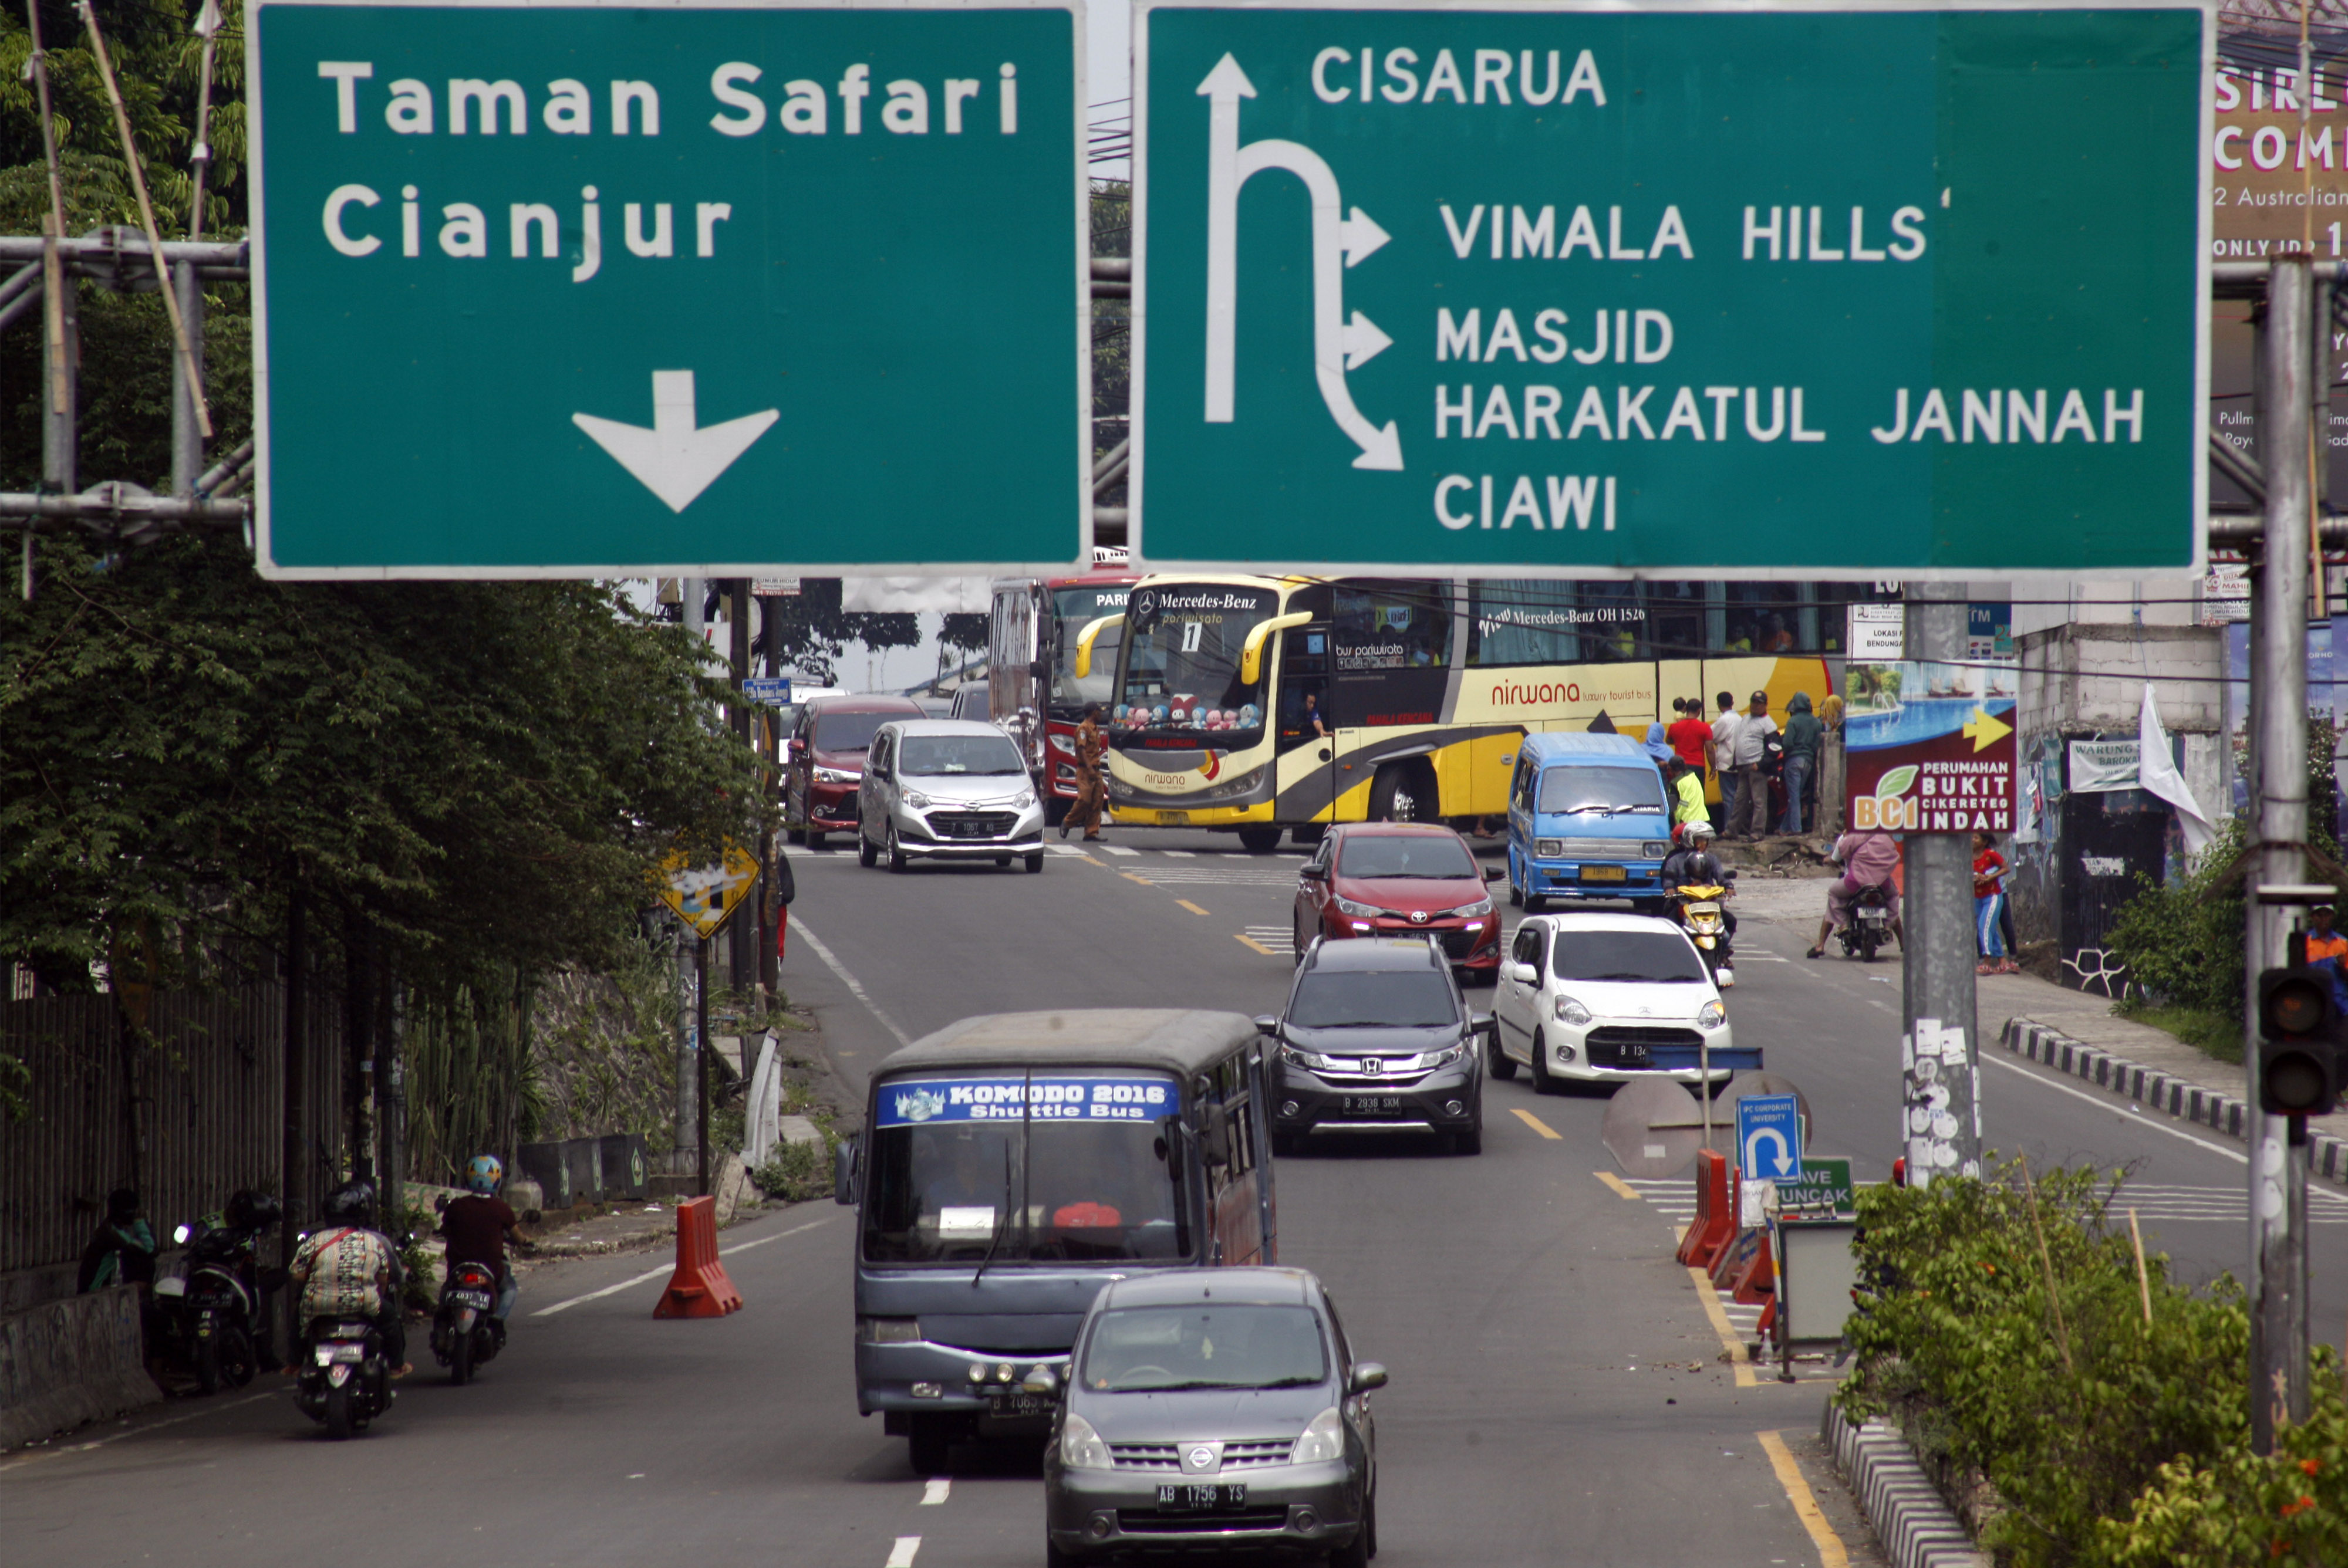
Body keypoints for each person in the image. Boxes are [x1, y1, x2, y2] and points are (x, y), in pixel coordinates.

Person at [288, 1180, 408, 1377]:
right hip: (364, 1303)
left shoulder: (314, 1240)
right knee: (391, 1320)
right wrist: (378, 1295)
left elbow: (297, 1274)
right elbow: (384, 1278)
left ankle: (294, 1364)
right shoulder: (374, 1241)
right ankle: (397, 1366)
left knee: (299, 1318)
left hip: (319, 1305)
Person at [439, 1155, 525, 1330]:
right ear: (497, 1180)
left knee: (445, 1291)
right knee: (510, 1289)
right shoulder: (502, 1209)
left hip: (458, 1267)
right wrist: (527, 1242)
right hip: (491, 1269)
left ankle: (441, 1326)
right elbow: (519, 1237)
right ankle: (496, 1320)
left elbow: (445, 1230)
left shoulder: (456, 1206)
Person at [1809, 827, 1904, 958]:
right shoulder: (1885, 839)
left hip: (1856, 883)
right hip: (1882, 883)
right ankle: (1893, 933)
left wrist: (1847, 838)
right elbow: (1895, 857)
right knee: (1893, 896)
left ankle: (1841, 927)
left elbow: (1840, 852)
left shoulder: (1852, 836)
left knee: (1833, 893)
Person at [76, 1187, 157, 1294]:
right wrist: (139, 1222)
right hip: (94, 1292)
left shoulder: (111, 1230)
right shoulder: (111, 1234)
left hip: (96, 1290)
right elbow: (150, 1250)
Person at [1729, 691, 1777, 840]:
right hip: (1743, 766)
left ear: (1765, 705)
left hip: (1756, 766)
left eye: (1759, 703)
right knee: (1739, 800)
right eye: (1753, 702)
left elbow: (1775, 748)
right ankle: (1732, 830)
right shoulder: (1746, 718)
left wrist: (1761, 764)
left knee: (1759, 801)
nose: (1755, 706)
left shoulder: (1768, 724)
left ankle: (1757, 832)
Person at [1060, 703, 1107, 842]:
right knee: (1085, 800)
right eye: (1099, 711)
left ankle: (1091, 832)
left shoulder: (1095, 728)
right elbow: (1081, 749)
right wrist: (1090, 769)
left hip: (1096, 770)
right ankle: (1067, 823)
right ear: (1094, 712)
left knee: (1097, 801)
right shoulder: (1083, 728)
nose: (1101, 714)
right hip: (1086, 771)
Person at [1778, 692, 1823, 836]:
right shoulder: (1817, 722)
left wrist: (1788, 753)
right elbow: (1818, 745)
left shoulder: (1793, 722)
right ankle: (1784, 828)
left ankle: (1796, 829)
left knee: (1794, 796)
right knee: (1796, 795)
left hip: (1794, 761)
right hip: (1809, 762)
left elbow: (1787, 743)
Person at [1972, 833, 2013, 974]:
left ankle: (1986, 962)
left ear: (1984, 842)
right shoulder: (1967, 856)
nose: (1972, 840)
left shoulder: (1990, 854)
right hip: (1977, 897)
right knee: (1990, 928)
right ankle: (2002, 961)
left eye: (1976, 838)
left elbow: (2006, 868)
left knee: (1984, 927)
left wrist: (1991, 877)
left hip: (1992, 896)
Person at [1709, 692, 1743, 830]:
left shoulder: (1724, 720)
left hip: (1726, 764)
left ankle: (1729, 828)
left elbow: (1711, 736)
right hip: (1739, 763)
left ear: (1719, 704)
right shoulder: (1740, 719)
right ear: (1732, 703)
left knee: (1729, 798)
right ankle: (1737, 827)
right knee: (1737, 798)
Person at [1666, 698, 1712, 776]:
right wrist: (1714, 767)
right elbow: (1710, 750)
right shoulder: (1705, 727)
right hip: (1698, 765)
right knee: (1697, 788)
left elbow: (1668, 741)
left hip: (1679, 766)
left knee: (1680, 788)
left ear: (1686, 709)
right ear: (1699, 710)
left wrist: (1679, 741)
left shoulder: (1674, 727)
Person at [1668, 756, 1707, 832]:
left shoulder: (1675, 784)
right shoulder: (1693, 776)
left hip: (1686, 823)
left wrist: (1677, 823)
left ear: (1670, 769)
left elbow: (1673, 809)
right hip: (1703, 820)